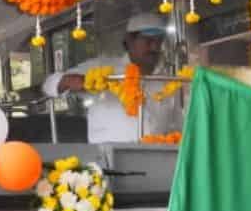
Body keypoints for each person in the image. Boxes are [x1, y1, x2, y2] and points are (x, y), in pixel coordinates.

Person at [42, 12, 166, 143]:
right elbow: (48, 86)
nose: (155, 47)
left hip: (159, 154)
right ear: (129, 40)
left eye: (159, 41)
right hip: (109, 157)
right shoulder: (102, 67)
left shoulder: (168, 78)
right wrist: (68, 81)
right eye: (148, 41)